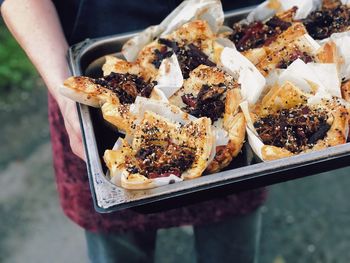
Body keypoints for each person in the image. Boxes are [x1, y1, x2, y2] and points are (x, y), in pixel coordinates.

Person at [0, 0, 265, 262]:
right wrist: (66, 94)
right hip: (92, 97)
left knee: (229, 244)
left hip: (237, 75)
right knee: (118, 245)